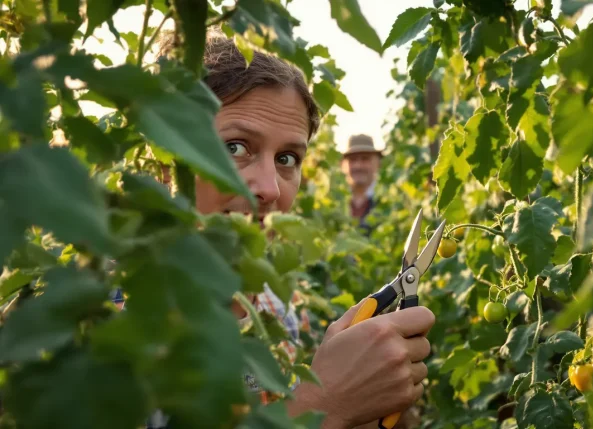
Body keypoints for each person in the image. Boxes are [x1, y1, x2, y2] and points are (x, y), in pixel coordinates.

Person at [122, 32, 435, 429]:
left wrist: (359, 408)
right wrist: (322, 406)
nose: (270, 188)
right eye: (236, 148)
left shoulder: (280, 311)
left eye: (287, 158)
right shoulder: (97, 319)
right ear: (166, 160)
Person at [340, 134, 382, 234]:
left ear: (377, 163)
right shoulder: (335, 199)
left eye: (365, 159)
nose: (358, 166)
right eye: (353, 160)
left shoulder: (387, 199)